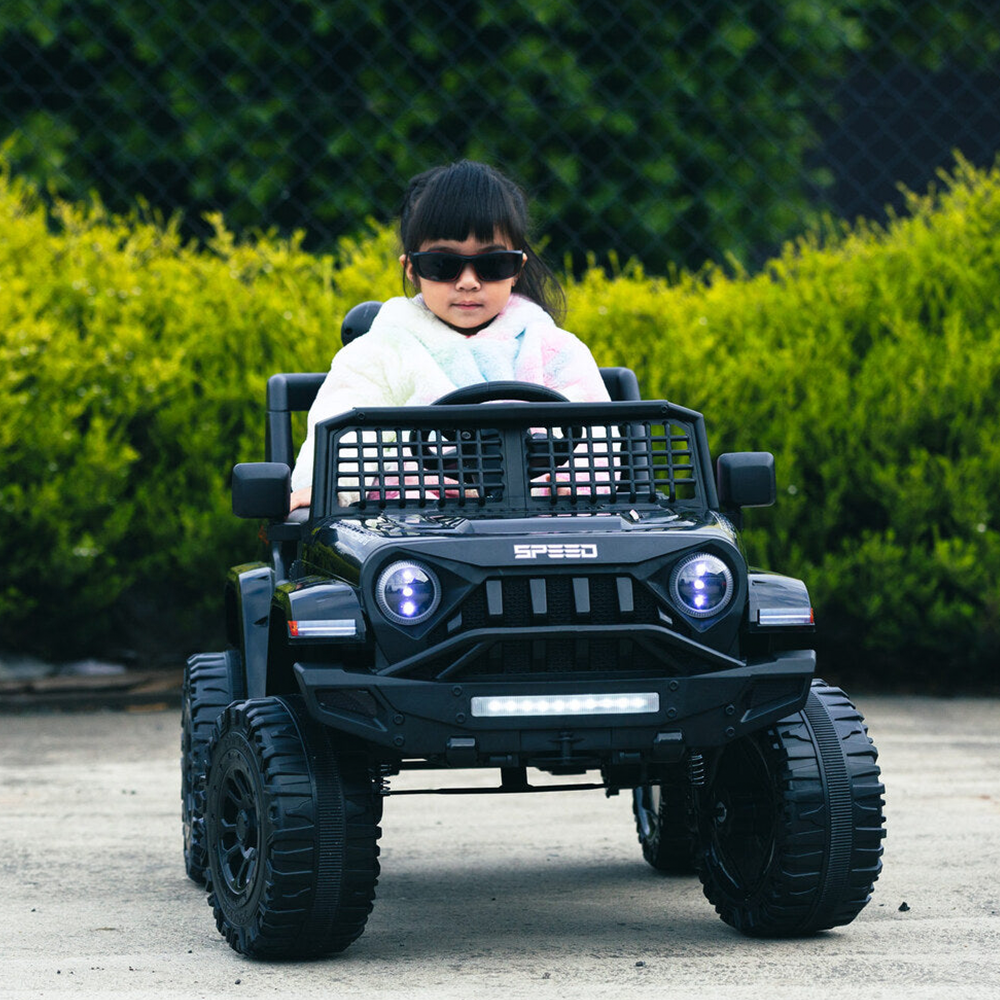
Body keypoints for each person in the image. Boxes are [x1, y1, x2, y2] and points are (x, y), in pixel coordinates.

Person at [289, 159, 610, 510]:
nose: (468, 281)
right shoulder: (378, 353)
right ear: (412, 269)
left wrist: (567, 482)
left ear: (517, 268)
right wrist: (327, 484)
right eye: (443, 265)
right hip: (413, 528)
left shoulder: (554, 349)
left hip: (543, 524)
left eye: (492, 264)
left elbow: (596, 442)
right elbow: (341, 438)